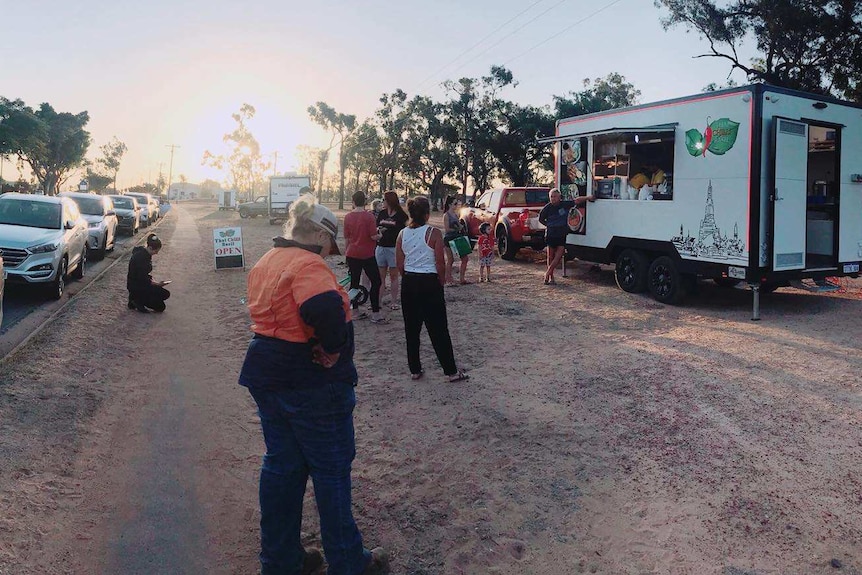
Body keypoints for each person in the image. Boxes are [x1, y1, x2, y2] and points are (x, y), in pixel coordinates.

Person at [238, 195, 389, 575]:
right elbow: (323, 312)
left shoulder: (267, 260)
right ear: (321, 237)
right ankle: (348, 561)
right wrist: (334, 350)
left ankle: (280, 560)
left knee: (282, 467)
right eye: (329, 246)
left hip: (267, 372)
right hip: (311, 382)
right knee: (331, 470)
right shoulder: (309, 265)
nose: (328, 253)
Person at [396, 196, 469, 383]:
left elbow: (400, 264)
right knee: (438, 329)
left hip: (410, 282)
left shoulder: (402, 234)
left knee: (411, 329)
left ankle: (415, 369)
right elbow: (439, 262)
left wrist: (408, 277)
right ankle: (450, 371)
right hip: (429, 282)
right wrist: (441, 280)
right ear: (427, 214)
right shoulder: (433, 233)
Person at [344, 191, 386, 323]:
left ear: (353, 201)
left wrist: (346, 254)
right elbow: (373, 236)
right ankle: (375, 312)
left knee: (354, 283)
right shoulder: (369, 217)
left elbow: (346, 238)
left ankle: (354, 311)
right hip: (367, 253)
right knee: (376, 281)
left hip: (352, 253)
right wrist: (380, 236)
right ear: (365, 201)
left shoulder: (348, 217)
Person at [539, 188, 595, 285]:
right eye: (551, 197)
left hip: (561, 234)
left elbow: (577, 200)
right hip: (551, 234)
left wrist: (588, 197)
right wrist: (549, 225)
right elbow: (541, 219)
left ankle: (547, 273)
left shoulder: (564, 204)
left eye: (555, 196)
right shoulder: (547, 208)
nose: (553, 199)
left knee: (558, 256)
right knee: (550, 257)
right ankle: (551, 277)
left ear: (559, 197)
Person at [375, 191, 408, 310]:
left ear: (389, 201)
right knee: (380, 277)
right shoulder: (382, 213)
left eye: (384, 200)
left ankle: (394, 302)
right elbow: (376, 227)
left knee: (394, 276)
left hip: (393, 249)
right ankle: (377, 301)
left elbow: (404, 232)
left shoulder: (401, 215)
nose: (382, 202)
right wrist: (379, 231)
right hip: (381, 247)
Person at [127, 233, 170, 313]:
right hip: (138, 286)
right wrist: (157, 284)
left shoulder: (144, 254)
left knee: (163, 295)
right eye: (156, 251)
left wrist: (153, 281)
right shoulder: (142, 258)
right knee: (162, 303)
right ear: (150, 248)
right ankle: (138, 300)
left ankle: (135, 298)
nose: (156, 253)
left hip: (136, 284)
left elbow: (143, 275)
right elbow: (142, 278)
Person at [442, 195, 469, 285]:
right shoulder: (446, 215)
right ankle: (448, 279)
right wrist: (457, 229)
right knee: (450, 260)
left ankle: (462, 279)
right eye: (455, 203)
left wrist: (462, 227)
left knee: (465, 258)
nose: (457, 205)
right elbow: (447, 229)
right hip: (449, 239)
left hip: (457, 238)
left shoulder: (455, 214)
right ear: (449, 204)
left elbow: (459, 226)